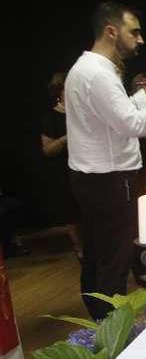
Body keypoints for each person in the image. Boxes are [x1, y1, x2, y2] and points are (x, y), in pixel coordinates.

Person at [65, 1, 146, 320]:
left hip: (94, 178)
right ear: (111, 31)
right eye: (135, 32)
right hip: (111, 180)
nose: (140, 40)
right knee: (115, 258)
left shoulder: (87, 69)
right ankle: (111, 329)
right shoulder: (98, 74)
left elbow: (120, 112)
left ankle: (101, 322)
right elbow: (131, 124)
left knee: (98, 255)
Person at [40, 72, 82, 261]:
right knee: (71, 212)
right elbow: (48, 149)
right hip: (63, 171)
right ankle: (80, 248)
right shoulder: (50, 117)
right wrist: (66, 138)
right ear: (59, 91)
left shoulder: (83, 112)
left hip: (86, 167)